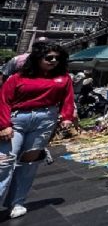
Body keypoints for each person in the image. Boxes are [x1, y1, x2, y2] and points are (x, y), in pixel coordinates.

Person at [0, 43, 76, 219]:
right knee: (4, 161)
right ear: (37, 58)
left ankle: (17, 201)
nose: (53, 61)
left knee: (28, 163)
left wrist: (66, 117)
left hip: (45, 120)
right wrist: (4, 125)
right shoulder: (17, 78)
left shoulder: (63, 78)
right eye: (49, 57)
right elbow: (3, 99)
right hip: (17, 119)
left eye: (57, 58)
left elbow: (68, 98)